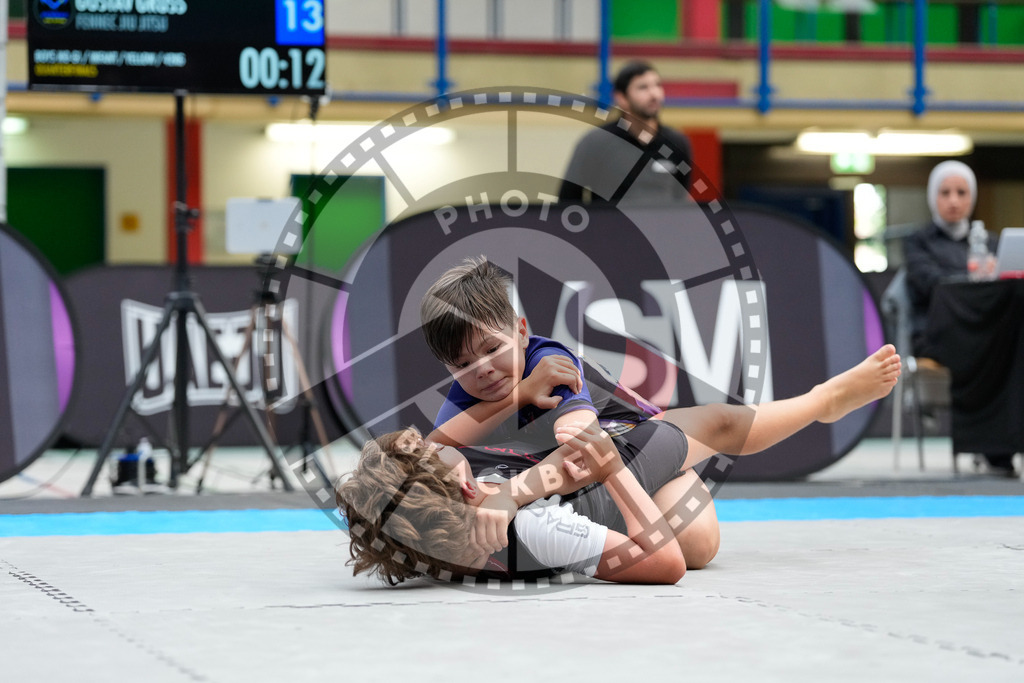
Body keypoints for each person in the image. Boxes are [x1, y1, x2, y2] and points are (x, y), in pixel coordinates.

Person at [416, 256, 901, 569]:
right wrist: (518, 398)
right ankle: (672, 473)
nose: (482, 370)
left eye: (492, 348)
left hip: (625, 430)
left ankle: (822, 401)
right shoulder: (474, 389)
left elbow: (584, 448)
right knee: (699, 548)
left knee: (723, 422)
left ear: (522, 330)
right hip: (592, 475)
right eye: (461, 364)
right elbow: (434, 450)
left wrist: (512, 495)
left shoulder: (550, 362)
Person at [337, 340, 902, 585]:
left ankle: (655, 456)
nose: (444, 452)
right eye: (451, 468)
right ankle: (822, 402)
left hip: (567, 465)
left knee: (699, 539)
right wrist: (611, 471)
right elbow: (666, 566)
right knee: (703, 514)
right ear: (458, 494)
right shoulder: (527, 530)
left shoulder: (427, 532)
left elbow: (426, 450)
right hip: (604, 466)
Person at [904, 160, 1013, 476]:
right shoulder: (919, 241)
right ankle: (994, 447)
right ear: (933, 197)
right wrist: (972, 274)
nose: (954, 200)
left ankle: (1003, 442)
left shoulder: (991, 243)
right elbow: (927, 282)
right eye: (945, 192)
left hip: (987, 333)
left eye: (961, 192)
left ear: (972, 198)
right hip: (938, 335)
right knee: (990, 355)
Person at [558, 60, 693, 204]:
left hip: (663, 226)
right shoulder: (595, 142)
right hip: (610, 226)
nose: (654, 94)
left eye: (657, 85)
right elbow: (567, 199)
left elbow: (681, 198)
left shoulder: (677, 142)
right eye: (643, 87)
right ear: (621, 98)